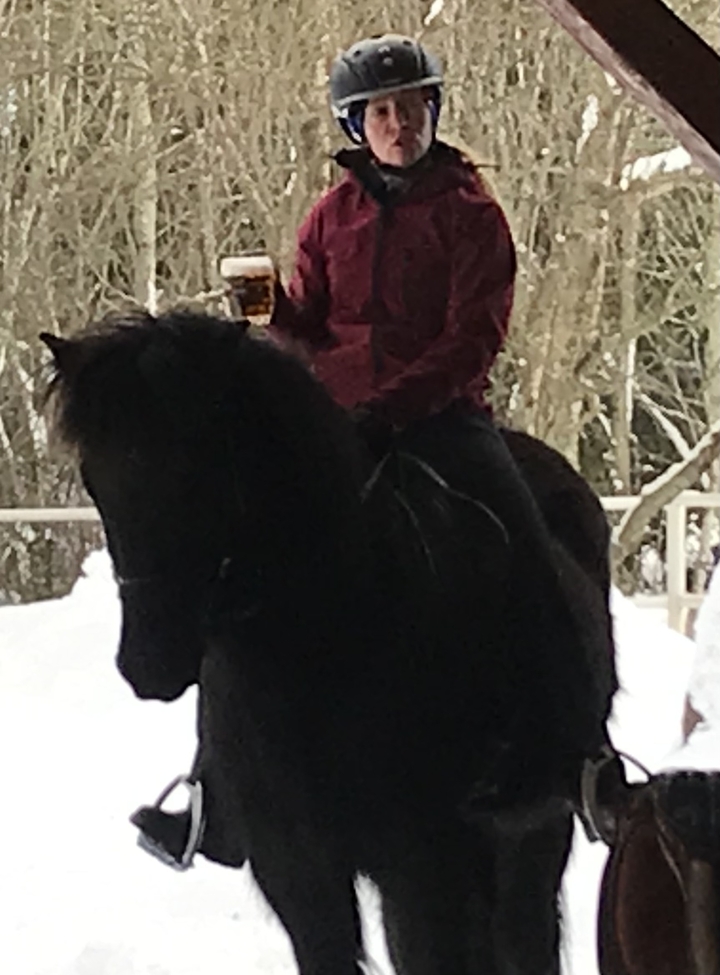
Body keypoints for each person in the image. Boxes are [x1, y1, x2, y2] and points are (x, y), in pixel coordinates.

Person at [132, 33, 612, 866]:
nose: (398, 124)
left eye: (411, 107)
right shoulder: (329, 216)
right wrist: (274, 312)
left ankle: (576, 749)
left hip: (444, 421)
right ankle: (217, 787)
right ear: (357, 125)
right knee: (238, 575)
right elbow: (314, 327)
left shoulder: (473, 216)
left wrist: (390, 409)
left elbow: (473, 338)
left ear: (434, 113)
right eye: (381, 112)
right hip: (337, 425)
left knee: (527, 539)